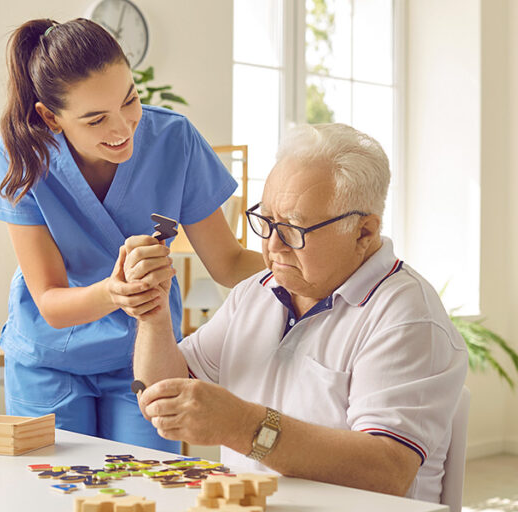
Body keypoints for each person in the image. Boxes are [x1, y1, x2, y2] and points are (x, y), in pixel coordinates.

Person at [126, 123, 468, 501]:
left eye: (293, 228)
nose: (272, 246)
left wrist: (242, 425)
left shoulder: (406, 316)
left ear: (363, 232)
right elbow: (159, 393)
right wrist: (152, 313)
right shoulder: (256, 293)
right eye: (266, 221)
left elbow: (386, 471)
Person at [0, 18, 264, 452]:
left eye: (129, 100)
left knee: (148, 488)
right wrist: (117, 293)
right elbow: (51, 302)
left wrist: (306, 262)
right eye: (95, 119)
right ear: (51, 118)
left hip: (144, 358)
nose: (122, 129)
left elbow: (228, 265)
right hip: (49, 358)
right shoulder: (22, 155)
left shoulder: (175, 140)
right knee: (52, 493)